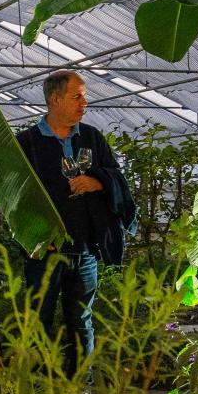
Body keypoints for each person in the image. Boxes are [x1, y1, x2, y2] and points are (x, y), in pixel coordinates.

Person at [16, 69, 134, 375]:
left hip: (85, 250)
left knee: (81, 321)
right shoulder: (27, 143)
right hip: (44, 251)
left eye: (84, 95)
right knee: (37, 321)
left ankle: (81, 391)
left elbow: (115, 174)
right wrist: (34, 236)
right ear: (55, 99)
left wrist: (98, 182)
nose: (85, 102)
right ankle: (34, 393)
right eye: (77, 96)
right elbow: (12, 196)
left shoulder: (92, 137)